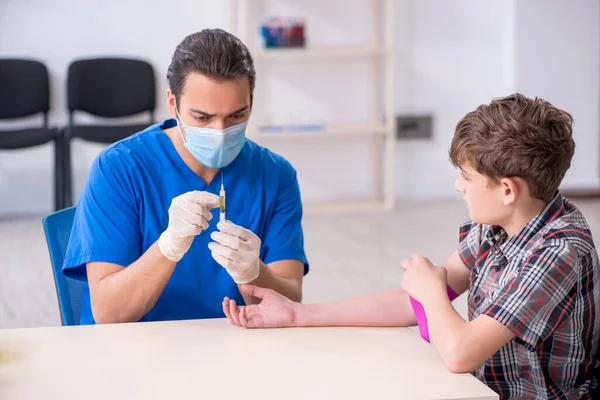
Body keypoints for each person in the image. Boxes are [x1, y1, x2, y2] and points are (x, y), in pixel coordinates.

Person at [222, 93, 600, 399]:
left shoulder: (559, 251)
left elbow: (458, 351)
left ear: (507, 190)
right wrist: (297, 315)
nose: (458, 186)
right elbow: (414, 301)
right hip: (480, 387)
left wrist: (432, 291)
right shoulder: (501, 223)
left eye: (467, 176)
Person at [63, 29, 308, 325]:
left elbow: (289, 304)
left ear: (251, 103)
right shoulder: (119, 169)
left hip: (234, 348)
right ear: (172, 103)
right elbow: (109, 314)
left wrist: (253, 272)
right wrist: (168, 246)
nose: (219, 133)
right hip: (138, 353)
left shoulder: (276, 176)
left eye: (236, 116)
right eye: (202, 118)